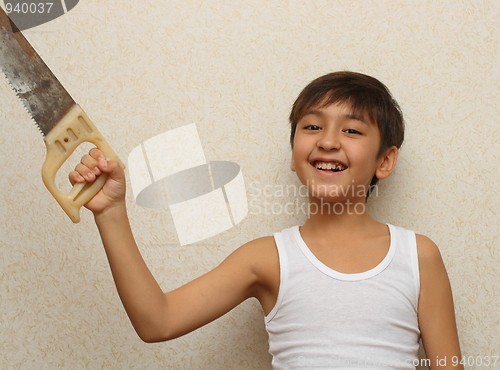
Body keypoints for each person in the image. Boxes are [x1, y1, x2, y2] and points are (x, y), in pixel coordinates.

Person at [70, 71, 463, 369]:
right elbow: (158, 322)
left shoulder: (418, 256)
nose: (327, 140)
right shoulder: (267, 258)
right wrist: (111, 213)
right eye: (312, 126)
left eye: (351, 129)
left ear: (385, 161)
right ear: (294, 156)